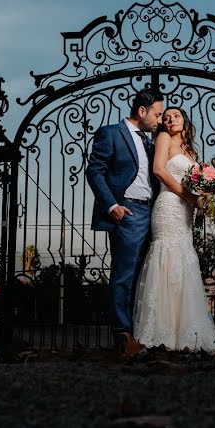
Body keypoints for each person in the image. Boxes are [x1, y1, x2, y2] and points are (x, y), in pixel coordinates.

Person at [132, 107, 215, 352]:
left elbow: (194, 185)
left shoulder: (190, 151)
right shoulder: (163, 139)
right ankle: (160, 335)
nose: (170, 120)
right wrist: (189, 197)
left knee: (183, 262)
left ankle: (185, 336)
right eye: (167, 117)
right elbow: (159, 170)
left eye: (176, 116)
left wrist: (200, 200)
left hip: (185, 214)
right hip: (168, 207)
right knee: (167, 259)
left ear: (185, 121)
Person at [86, 88, 164, 350]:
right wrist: (112, 206)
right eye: (157, 114)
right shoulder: (110, 133)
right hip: (127, 212)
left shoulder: (151, 141)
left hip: (153, 213)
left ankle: (143, 331)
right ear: (141, 112)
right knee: (124, 275)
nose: (160, 120)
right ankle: (122, 334)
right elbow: (95, 172)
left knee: (148, 276)